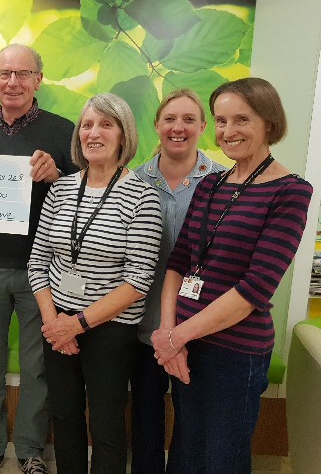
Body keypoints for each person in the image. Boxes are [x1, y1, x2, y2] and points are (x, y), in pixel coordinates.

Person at [152, 77, 313, 473]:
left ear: (270, 123)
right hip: (187, 346)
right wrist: (171, 333)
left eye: (242, 120)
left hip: (234, 353)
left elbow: (256, 287)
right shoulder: (211, 184)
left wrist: (175, 337)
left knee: (221, 458)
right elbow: (179, 262)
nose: (228, 131)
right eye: (221, 121)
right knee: (186, 451)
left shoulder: (290, 191)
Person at [29, 92, 162, 474]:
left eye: (106, 124)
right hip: (57, 324)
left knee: (105, 425)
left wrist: (79, 323)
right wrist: (56, 323)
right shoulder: (61, 189)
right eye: (87, 124)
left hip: (109, 328)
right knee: (65, 417)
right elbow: (38, 262)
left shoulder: (142, 196)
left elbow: (138, 280)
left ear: (124, 135)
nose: (94, 132)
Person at [0, 43, 77, 474]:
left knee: (37, 367)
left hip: (42, 273)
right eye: (4, 73)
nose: (12, 82)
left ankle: (29, 453)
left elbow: (85, 201)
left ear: (38, 80)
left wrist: (57, 176)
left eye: (22, 73)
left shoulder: (65, 132)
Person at [130, 89, 226, 474]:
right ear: (157, 125)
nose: (178, 127)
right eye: (170, 119)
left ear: (203, 127)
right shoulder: (134, 182)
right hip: (142, 323)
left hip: (198, 326)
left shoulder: (223, 183)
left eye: (189, 120)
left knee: (190, 420)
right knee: (145, 414)